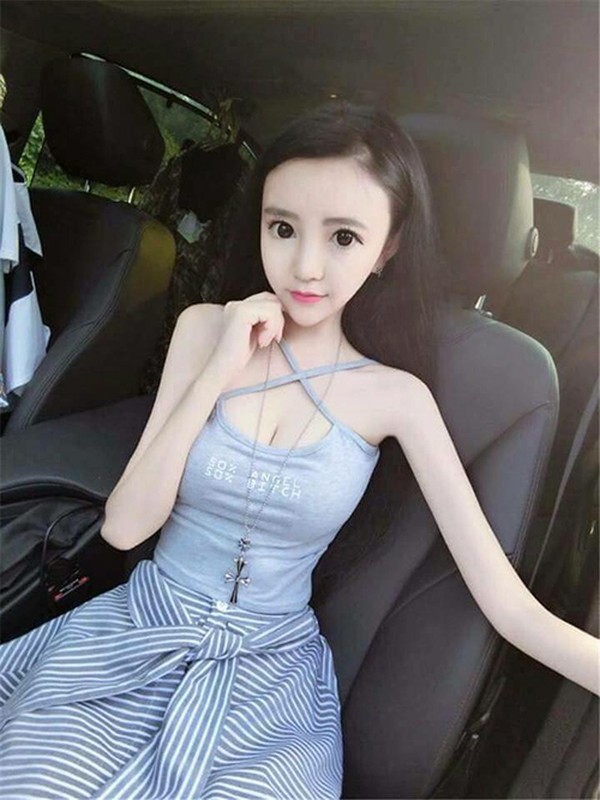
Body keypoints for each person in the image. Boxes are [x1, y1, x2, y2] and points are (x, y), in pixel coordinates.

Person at [0, 102, 598, 800]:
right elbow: (127, 527)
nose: (305, 267)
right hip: (138, 627)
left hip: (270, 675)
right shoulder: (205, 330)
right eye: (282, 228)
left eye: (344, 237)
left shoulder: (396, 396)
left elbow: (511, 606)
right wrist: (218, 368)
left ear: (389, 246)